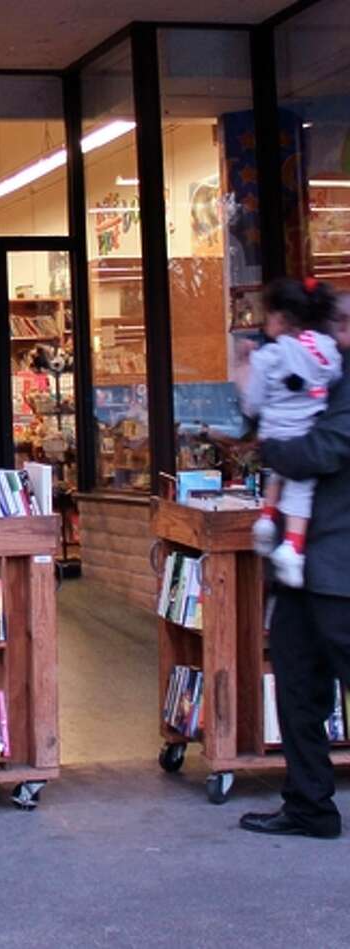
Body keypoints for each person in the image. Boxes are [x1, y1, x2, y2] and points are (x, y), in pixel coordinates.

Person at [240, 290, 350, 839]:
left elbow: (322, 452)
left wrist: (271, 446)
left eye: (347, 324)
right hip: (301, 567)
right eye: (339, 322)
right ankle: (309, 805)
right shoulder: (317, 367)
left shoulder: (340, 382)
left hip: (342, 567)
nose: (341, 332)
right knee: (298, 688)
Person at [236, 278, 341, 587]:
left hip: (275, 434)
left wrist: (244, 367)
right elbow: (332, 379)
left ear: (280, 318)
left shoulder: (269, 356)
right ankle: (292, 546)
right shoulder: (324, 349)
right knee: (300, 494)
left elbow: (253, 403)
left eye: (267, 315)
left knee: (278, 479)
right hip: (305, 431)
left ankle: (270, 522)